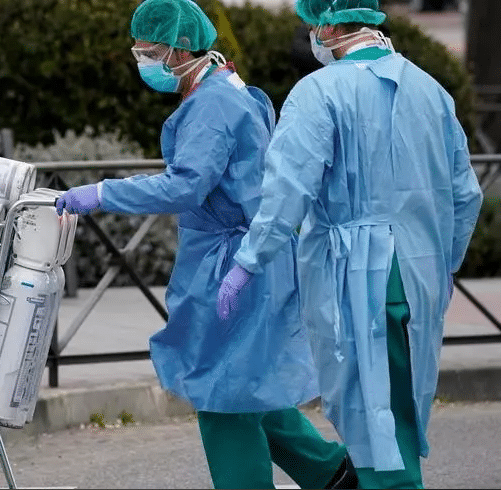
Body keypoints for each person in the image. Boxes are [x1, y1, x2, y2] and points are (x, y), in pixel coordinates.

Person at [55, 0, 355, 487]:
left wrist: (104, 192)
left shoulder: (211, 104)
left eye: (149, 51)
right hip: (253, 255)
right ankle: (332, 474)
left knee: (222, 396)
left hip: (229, 264)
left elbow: (185, 186)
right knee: (251, 384)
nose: (144, 61)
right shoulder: (234, 90)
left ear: (178, 50)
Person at [217, 0, 484, 488]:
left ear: (333, 25)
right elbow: (466, 193)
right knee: (400, 406)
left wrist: (248, 262)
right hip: (419, 270)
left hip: (357, 274)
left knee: (370, 415)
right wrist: (445, 265)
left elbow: (286, 194)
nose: (313, 35)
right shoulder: (431, 90)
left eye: (315, 25)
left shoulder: (318, 92)